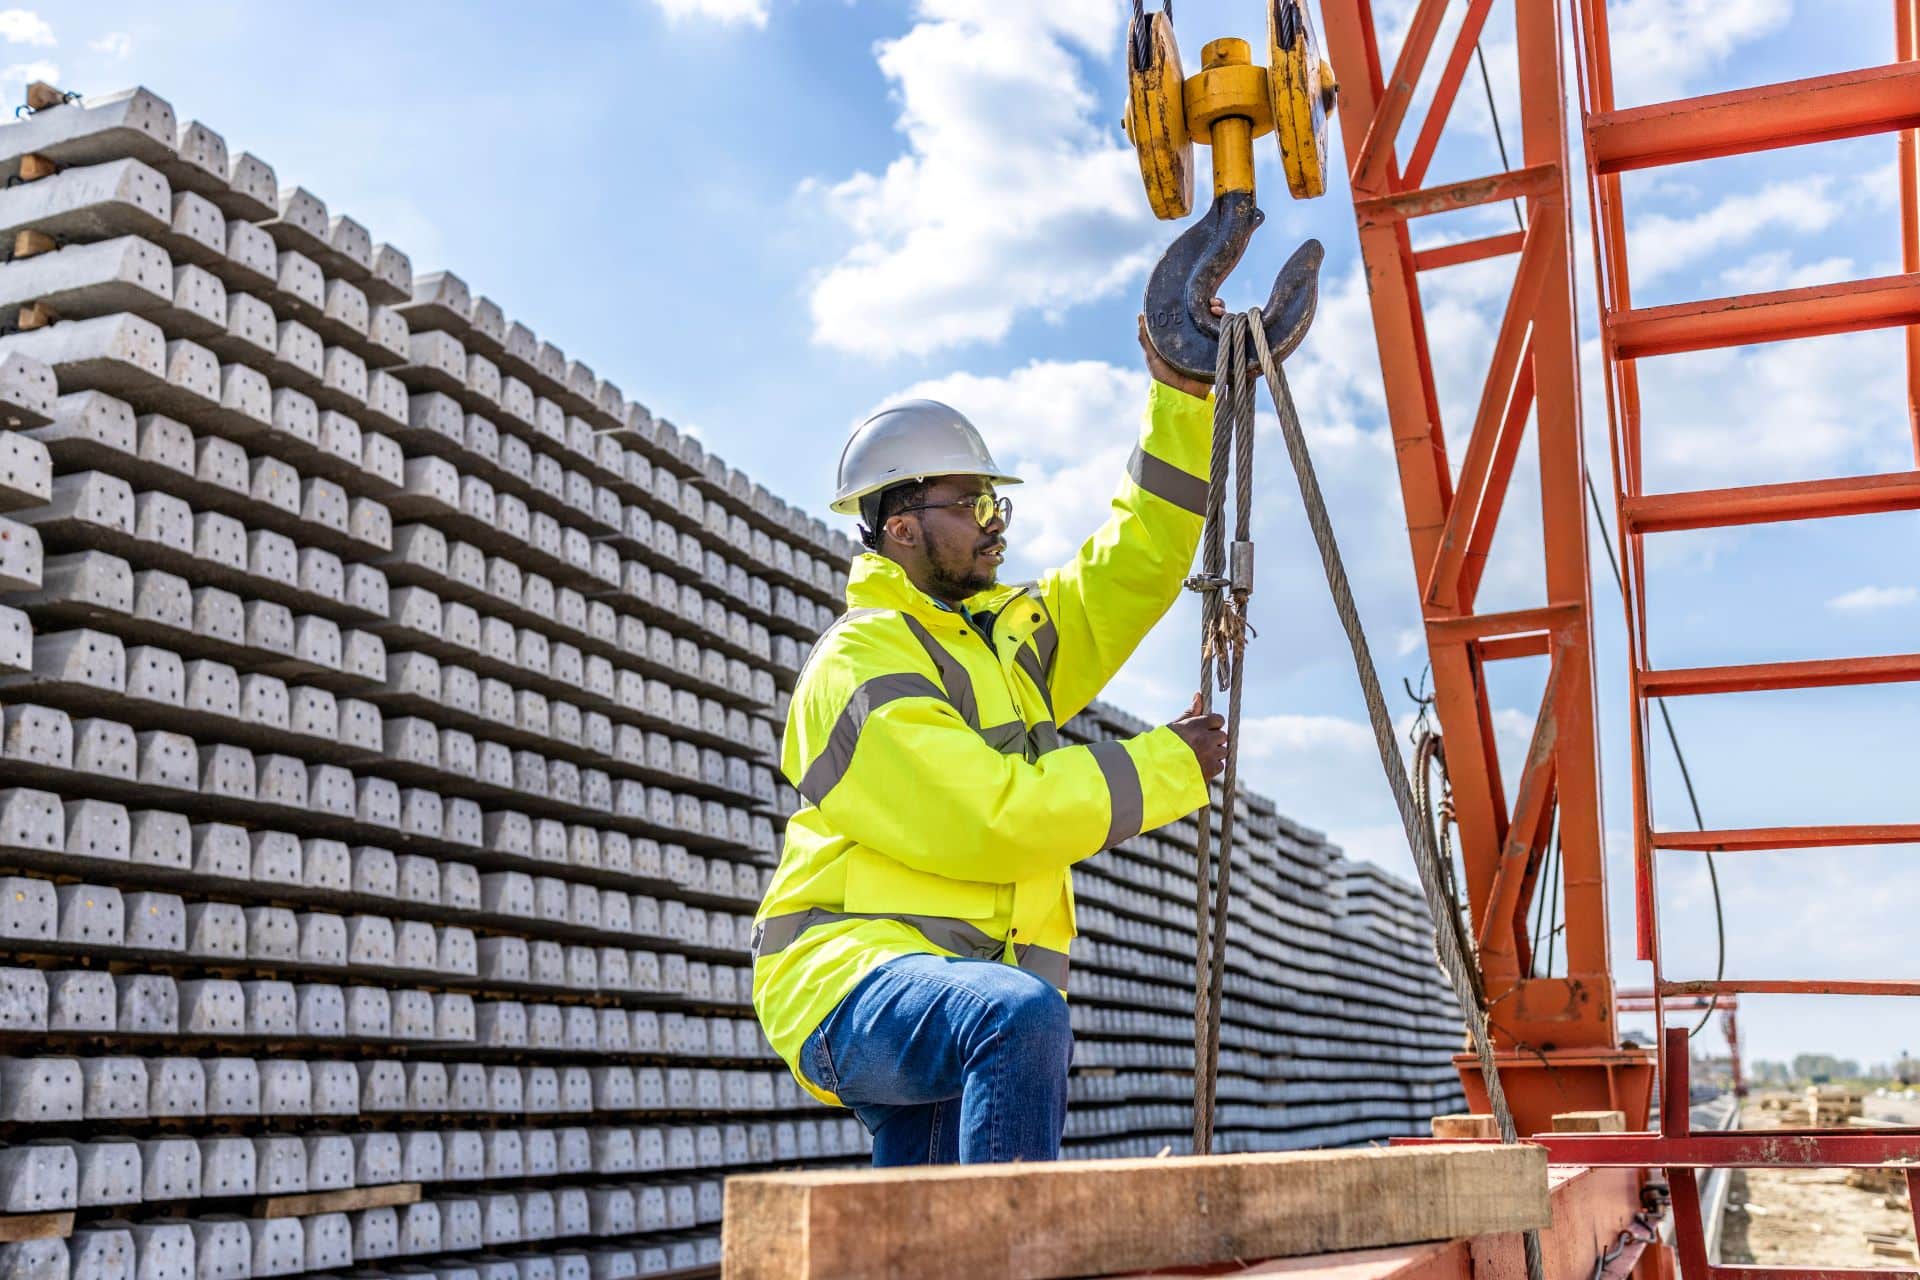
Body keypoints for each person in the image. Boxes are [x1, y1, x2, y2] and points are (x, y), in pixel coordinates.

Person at [750, 310, 1231, 1166]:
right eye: (969, 502)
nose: (992, 520)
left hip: (956, 982)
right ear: (900, 525)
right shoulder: (861, 662)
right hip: (849, 977)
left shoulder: (1005, 650)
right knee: (1016, 1017)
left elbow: (1140, 563)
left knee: (922, 1236)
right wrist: (1165, 765)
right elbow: (988, 819)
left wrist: (1182, 398)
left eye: (991, 499)